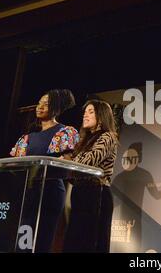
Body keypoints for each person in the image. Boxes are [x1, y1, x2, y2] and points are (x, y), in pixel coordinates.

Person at [10, 89, 79, 252]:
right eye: (39, 103)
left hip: (50, 192)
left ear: (56, 108)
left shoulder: (65, 132)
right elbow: (14, 166)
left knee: (42, 238)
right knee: (23, 239)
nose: (40, 107)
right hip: (28, 192)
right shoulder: (27, 138)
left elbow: (67, 164)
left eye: (46, 104)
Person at [63, 99, 119, 253]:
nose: (85, 115)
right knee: (73, 243)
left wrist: (70, 159)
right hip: (79, 194)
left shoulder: (108, 137)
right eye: (85, 112)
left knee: (91, 244)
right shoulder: (83, 140)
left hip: (97, 194)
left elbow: (89, 161)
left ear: (101, 116)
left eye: (91, 112)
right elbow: (71, 171)